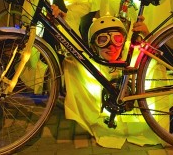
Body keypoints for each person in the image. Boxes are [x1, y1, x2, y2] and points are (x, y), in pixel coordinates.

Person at [62, 15, 161, 149]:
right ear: (93, 44)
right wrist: (59, 22)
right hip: (107, 128)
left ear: (124, 41)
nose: (111, 46)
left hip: (146, 124)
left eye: (117, 39)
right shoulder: (89, 64)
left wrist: (148, 35)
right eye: (103, 40)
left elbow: (156, 58)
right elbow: (69, 46)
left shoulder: (133, 55)